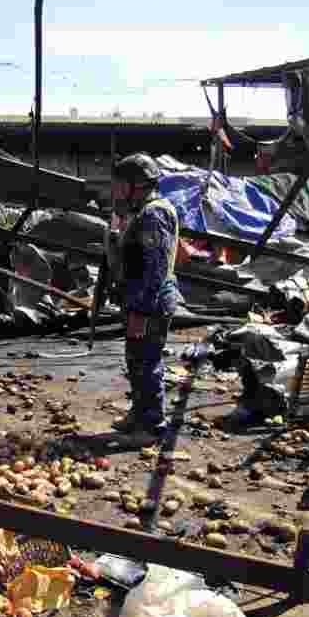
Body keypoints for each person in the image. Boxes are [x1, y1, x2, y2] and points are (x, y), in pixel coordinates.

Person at [107, 154, 180, 446]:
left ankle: (151, 427)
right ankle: (139, 414)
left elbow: (155, 269)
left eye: (120, 184)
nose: (115, 190)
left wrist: (141, 310)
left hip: (151, 302)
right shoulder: (139, 212)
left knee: (147, 362)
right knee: (135, 360)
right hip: (140, 299)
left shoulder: (154, 215)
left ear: (136, 185)